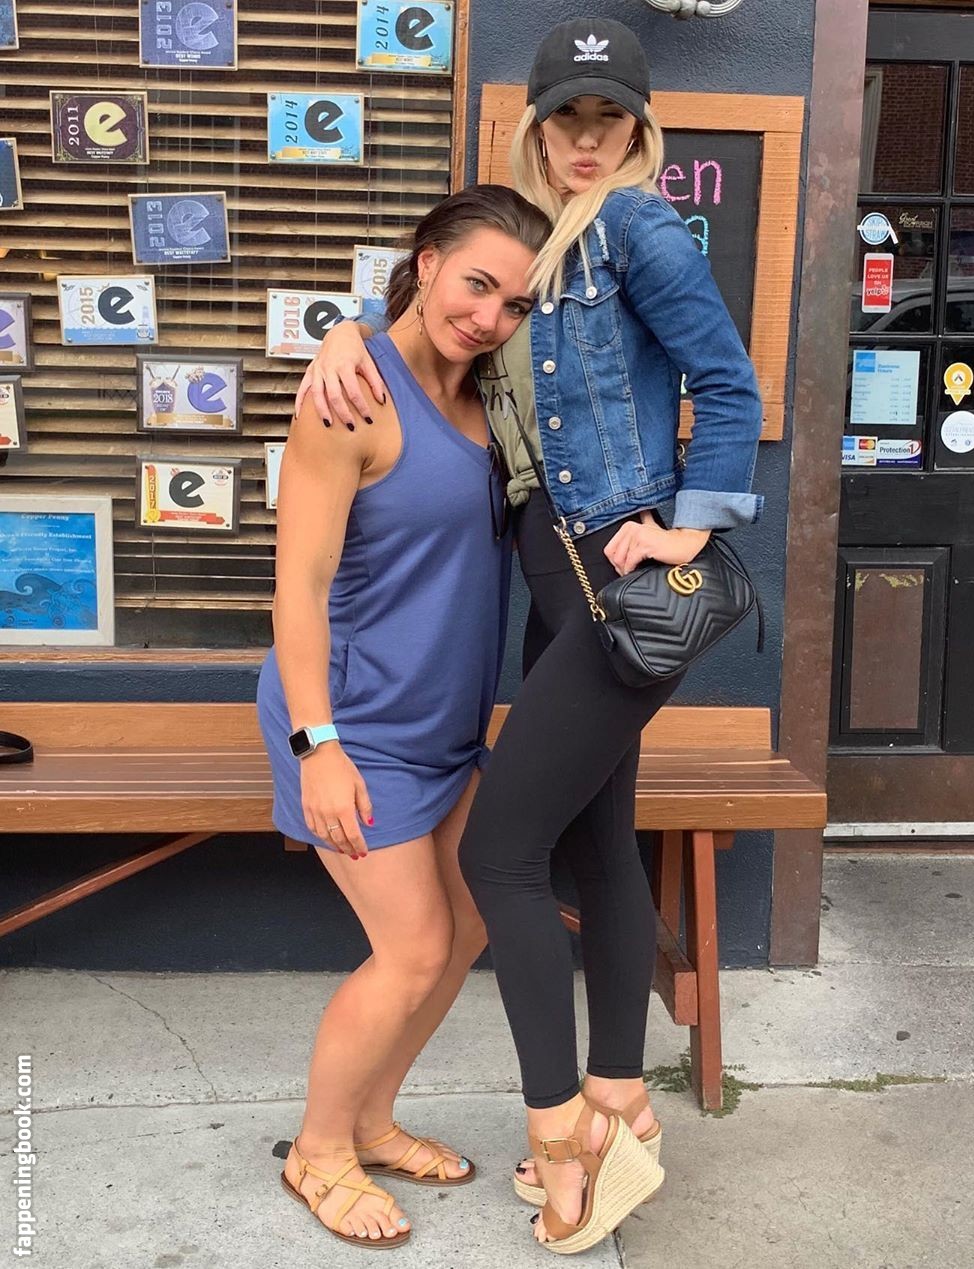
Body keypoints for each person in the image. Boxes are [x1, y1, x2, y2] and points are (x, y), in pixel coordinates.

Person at [296, 15, 763, 1255]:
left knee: (505, 851)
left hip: (617, 577)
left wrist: (691, 525)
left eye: (612, 120)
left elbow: (728, 382)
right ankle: (620, 1102)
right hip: (557, 585)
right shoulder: (531, 246)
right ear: (537, 126)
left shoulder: (637, 229)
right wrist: (347, 329)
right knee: (599, 841)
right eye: (569, 118)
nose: (588, 141)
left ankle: (560, 1132)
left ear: (642, 131)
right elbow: (442, 308)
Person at [259, 184, 551, 1249]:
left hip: (446, 726)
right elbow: (298, 588)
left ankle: (373, 1122)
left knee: (467, 926)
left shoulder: (495, 394)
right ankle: (317, 1149)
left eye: (515, 304)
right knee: (416, 948)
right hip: (354, 723)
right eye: (476, 283)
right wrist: (317, 748)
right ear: (426, 263)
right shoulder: (351, 396)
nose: (489, 316)